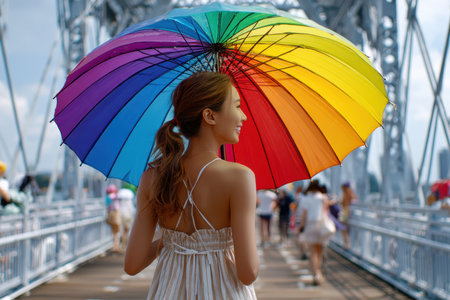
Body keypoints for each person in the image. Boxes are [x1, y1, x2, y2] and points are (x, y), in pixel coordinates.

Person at [124, 72, 258, 299]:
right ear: (209, 116)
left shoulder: (152, 177)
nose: (243, 116)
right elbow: (248, 272)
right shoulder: (239, 177)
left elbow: (132, 264)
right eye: (236, 106)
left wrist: (167, 242)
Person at [298, 180, 331, 285]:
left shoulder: (307, 199)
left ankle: (315, 274)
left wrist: (301, 227)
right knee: (319, 251)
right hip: (321, 225)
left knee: (312, 252)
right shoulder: (323, 197)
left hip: (310, 226)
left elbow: (304, 215)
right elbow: (326, 211)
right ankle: (319, 273)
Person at [340, 182, 357, 249]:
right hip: (347, 211)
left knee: (343, 227)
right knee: (346, 228)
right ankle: (348, 243)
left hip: (345, 211)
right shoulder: (351, 193)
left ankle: (347, 243)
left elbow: (344, 202)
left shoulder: (347, 193)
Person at [105, 184, 121, 252]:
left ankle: (114, 246)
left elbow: (108, 207)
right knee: (117, 232)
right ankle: (116, 246)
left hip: (110, 217)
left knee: (113, 232)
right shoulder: (117, 197)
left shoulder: (108, 197)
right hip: (117, 216)